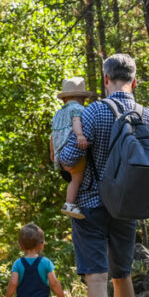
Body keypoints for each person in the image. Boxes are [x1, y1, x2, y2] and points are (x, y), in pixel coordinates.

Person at [57, 54, 149, 297]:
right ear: (134, 82)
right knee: (122, 275)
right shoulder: (144, 114)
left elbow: (70, 157)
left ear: (106, 80)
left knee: (96, 279)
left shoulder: (93, 111)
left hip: (90, 205)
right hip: (127, 206)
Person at [50, 77, 96, 219]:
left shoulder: (57, 114)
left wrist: (53, 152)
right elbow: (76, 121)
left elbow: (52, 136)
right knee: (77, 178)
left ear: (64, 99)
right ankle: (69, 204)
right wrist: (80, 135)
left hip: (60, 154)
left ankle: (71, 202)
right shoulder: (78, 109)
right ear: (82, 98)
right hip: (71, 153)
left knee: (72, 178)